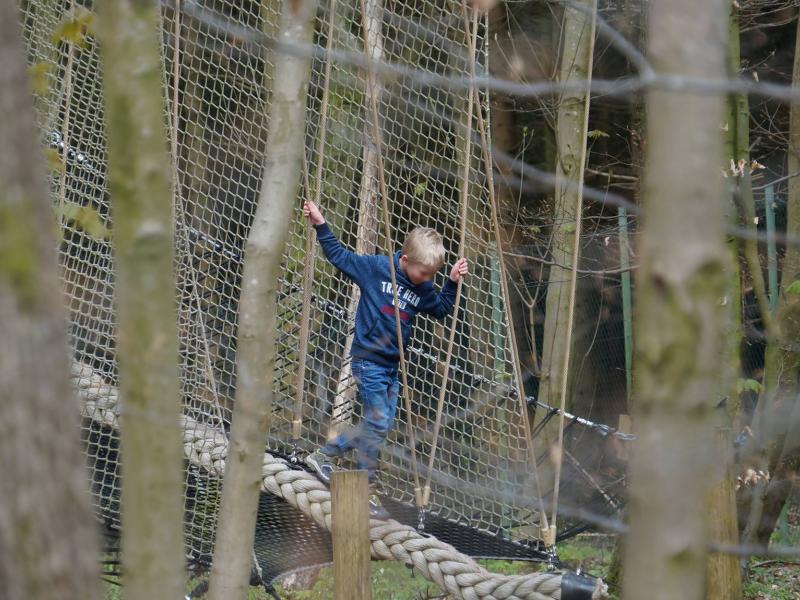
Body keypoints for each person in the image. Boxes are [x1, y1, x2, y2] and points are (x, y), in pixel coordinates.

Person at [302, 200, 468, 518]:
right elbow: (339, 256)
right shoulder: (377, 268)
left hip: (392, 368)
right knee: (377, 423)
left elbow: (441, 309)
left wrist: (450, 281)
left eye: (431, 274)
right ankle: (349, 474)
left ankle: (335, 464)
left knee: (378, 427)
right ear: (405, 260)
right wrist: (321, 224)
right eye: (423, 272)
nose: (426, 278)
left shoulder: (423, 287)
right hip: (368, 362)